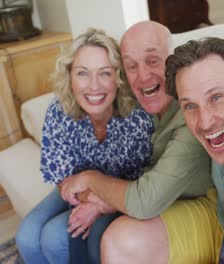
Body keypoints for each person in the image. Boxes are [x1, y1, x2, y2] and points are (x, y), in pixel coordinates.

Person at [100, 37, 224, 263]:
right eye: (190, 106)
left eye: (216, 97)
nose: (205, 121)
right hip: (220, 218)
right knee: (119, 241)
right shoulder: (202, 130)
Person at [59, 21, 213, 263]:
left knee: (105, 235)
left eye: (153, 61)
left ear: (174, 61)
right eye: (131, 66)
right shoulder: (139, 104)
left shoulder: (192, 115)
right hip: (155, 199)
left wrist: (90, 180)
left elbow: (144, 200)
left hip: (199, 207)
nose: (142, 76)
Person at [15, 28, 154, 264]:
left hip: (123, 192)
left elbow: (143, 186)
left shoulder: (137, 114)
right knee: (26, 237)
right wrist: (93, 200)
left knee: (54, 236)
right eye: (82, 73)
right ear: (69, 76)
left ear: (118, 77)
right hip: (76, 187)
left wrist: (100, 207)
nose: (93, 86)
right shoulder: (60, 110)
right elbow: (62, 176)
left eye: (105, 73)